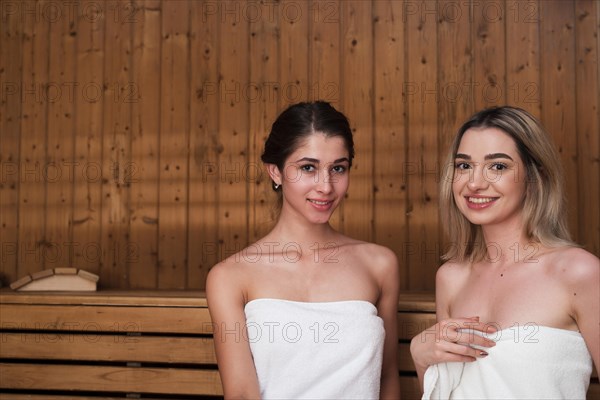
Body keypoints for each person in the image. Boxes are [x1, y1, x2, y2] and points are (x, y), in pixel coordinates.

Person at [206, 101, 401, 399]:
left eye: (338, 168)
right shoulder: (231, 276)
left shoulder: (379, 265)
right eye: (308, 168)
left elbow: (387, 378)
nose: (326, 186)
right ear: (275, 172)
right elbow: (242, 394)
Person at [410, 106, 599, 399]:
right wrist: (421, 357)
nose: (474, 183)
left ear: (535, 177)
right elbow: (446, 388)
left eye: (498, 166)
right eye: (464, 166)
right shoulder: (451, 278)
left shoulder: (578, 273)